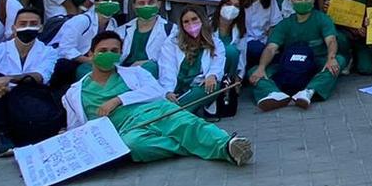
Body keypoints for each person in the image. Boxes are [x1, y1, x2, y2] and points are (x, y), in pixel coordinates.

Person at [62, 31, 254, 165]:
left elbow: (156, 91)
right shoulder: (74, 93)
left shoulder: (135, 73)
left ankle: (227, 146)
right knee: (134, 148)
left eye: (114, 51)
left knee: (184, 123)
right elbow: (75, 126)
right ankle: (193, 144)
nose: (108, 54)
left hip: (153, 112)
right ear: (91, 54)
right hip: (123, 133)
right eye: (103, 51)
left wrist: (119, 99)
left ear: (120, 54)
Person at [0, 6, 63, 152]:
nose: (27, 27)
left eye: (33, 24)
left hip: (30, 99)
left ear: (41, 27)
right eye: (23, 24)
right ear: (14, 27)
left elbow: (40, 77)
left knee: (7, 82)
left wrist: (8, 79)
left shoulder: (49, 52)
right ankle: (2, 136)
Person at [248, 0, 343, 109]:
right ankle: (273, 94)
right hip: (289, 64)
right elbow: (271, 48)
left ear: (313, 0)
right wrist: (261, 67)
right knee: (254, 71)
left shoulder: (322, 19)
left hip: (317, 62)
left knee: (338, 61)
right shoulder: (285, 24)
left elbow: (331, 40)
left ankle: (309, 91)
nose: (303, 1)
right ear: (292, 1)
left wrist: (331, 58)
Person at [118, 0, 172, 78]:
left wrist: (146, 63)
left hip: (152, 74)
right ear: (134, 6)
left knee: (150, 67)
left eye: (151, 2)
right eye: (141, 3)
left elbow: (171, 59)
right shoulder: (121, 30)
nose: (146, 6)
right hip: (124, 72)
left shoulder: (171, 30)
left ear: (159, 4)